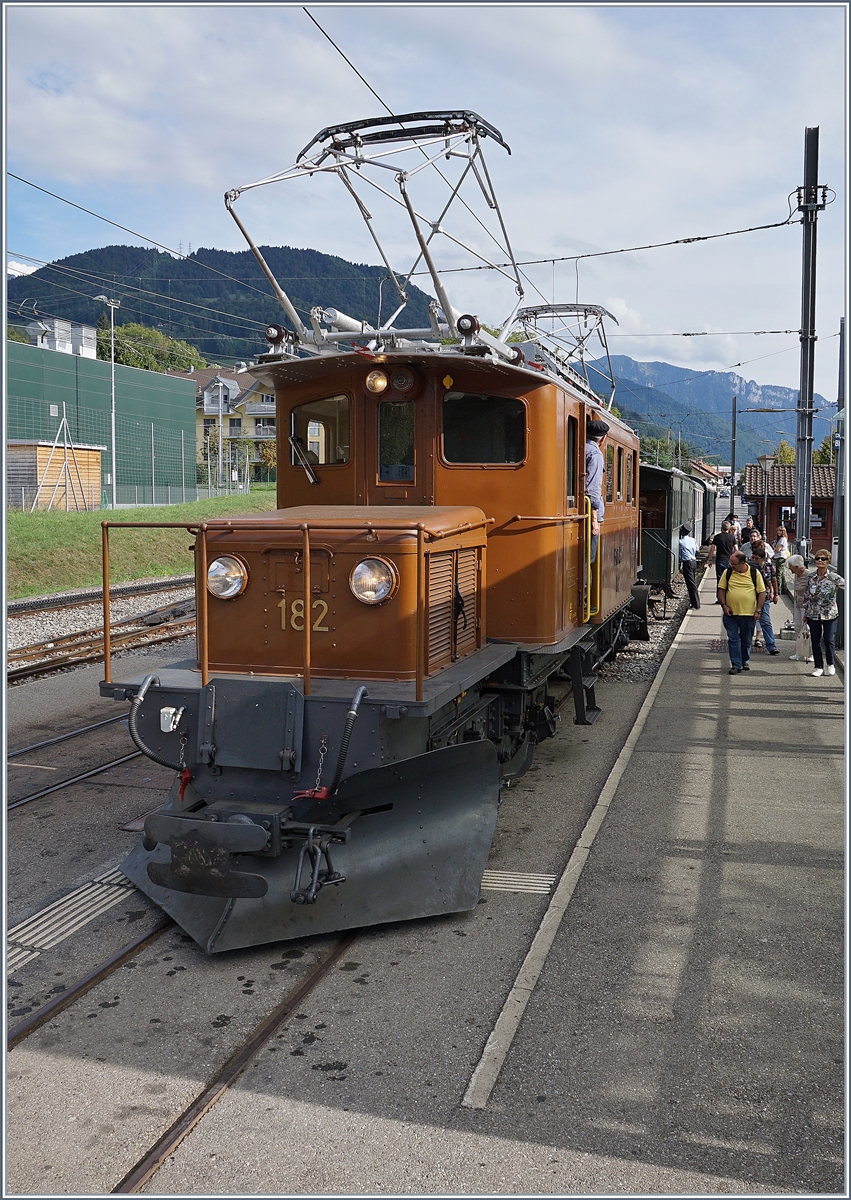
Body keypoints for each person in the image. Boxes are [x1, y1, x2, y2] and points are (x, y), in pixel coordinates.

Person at [717, 551, 766, 674]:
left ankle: (745, 659)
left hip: (748, 614)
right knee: (733, 639)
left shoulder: (755, 573)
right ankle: (736, 665)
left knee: (746, 639)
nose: (731, 566)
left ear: (743, 563)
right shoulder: (727, 573)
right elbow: (721, 590)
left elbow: (762, 592)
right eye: (730, 563)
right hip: (731, 613)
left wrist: (758, 610)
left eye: (734, 564)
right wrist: (724, 605)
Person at [803, 550, 845, 677]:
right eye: (817, 558)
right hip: (813, 612)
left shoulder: (834, 577)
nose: (819, 561)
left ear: (828, 561)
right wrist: (805, 612)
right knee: (815, 640)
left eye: (823, 559)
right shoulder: (810, 577)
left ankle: (830, 664)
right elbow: (806, 595)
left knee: (828, 638)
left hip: (830, 613)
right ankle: (818, 666)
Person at [585, 419, 609, 564]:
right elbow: (592, 489)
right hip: (589, 517)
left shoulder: (578, 448)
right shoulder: (596, 454)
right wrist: (594, 521)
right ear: (603, 438)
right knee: (588, 560)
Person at [750, 544, 780, 654]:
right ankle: (745, 645)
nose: (753, 560)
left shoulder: (768, 567)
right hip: (750, 598)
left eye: (756, 558)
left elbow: (774, 580)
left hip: (764, 598)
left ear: (762, 558)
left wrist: (776, 594)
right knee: (748, 622)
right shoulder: (749, 567)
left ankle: (771, 646)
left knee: (765, 621)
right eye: (752, 557)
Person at [786, 554, 812, 662]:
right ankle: (798, 652)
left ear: (796, 566)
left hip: (806, 607)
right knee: (797, 628)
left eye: (790, 566)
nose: (789, 569)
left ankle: (810, 654)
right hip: (798, 605)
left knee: (807, 630)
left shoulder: (809, 575)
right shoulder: (798, 575)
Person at [707, 521, 737, 597]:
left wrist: (710, 560)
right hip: (729, 561)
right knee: (729, 579)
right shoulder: (732, 537)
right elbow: (736, 550)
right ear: (729, 528)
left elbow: (712, 549)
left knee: (720, 580)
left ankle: (720, 598)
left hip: (720, 560)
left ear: (721, 527)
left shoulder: (717, 537)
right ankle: (728, 596)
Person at [678, 523, 701, 608]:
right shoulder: (693, 540)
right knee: (692, 583)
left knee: (691, 584)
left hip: (687, 563)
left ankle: (696, 604)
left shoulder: (681, 542)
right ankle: (694, 602)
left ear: (682, 532)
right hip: (694, 562)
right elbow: (697, 550)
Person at [772, 525, 789, 594]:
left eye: (780, 531)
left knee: (778, 573)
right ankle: (784, 588)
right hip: (780, 557)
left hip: (780, 557)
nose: (778, 532)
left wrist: (773, 546)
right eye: (778, 531)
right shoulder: (780, 539)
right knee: (782, 573)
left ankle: (778, 590)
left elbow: (778, 549)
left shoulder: (782, 539)